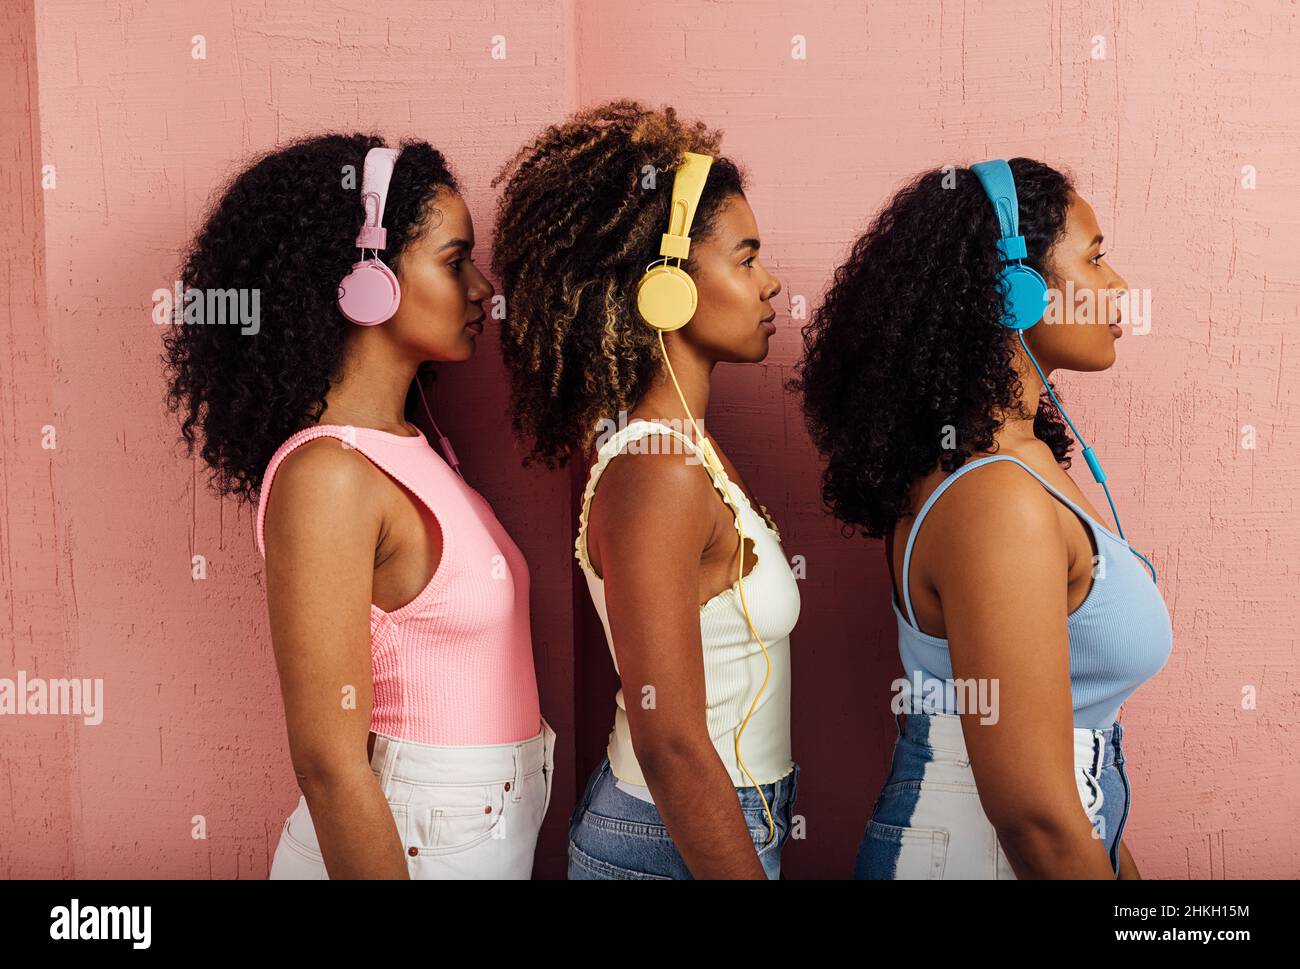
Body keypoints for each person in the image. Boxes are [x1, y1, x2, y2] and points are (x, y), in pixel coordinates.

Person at [162, 133, 552, 879]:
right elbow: (330, 764)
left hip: (474, 833)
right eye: (453, 259)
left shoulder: (415, 446)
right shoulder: (327, 476)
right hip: (402, 847)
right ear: (367, 277)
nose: (481, 289)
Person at [793, 158, 1172, 879]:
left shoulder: (1021, 460)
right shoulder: (995, 502)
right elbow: (1033, 813)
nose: (1118, 286)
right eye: (1094, 259)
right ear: (1015, 290)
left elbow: (1064, 778)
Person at [491, 101, 801, 879]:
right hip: (673, 842)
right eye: (745, 258)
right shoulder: (657, 472)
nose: (771, 283)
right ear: (664, 286)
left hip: (704, 828)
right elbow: (669, 741)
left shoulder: (685, 449)